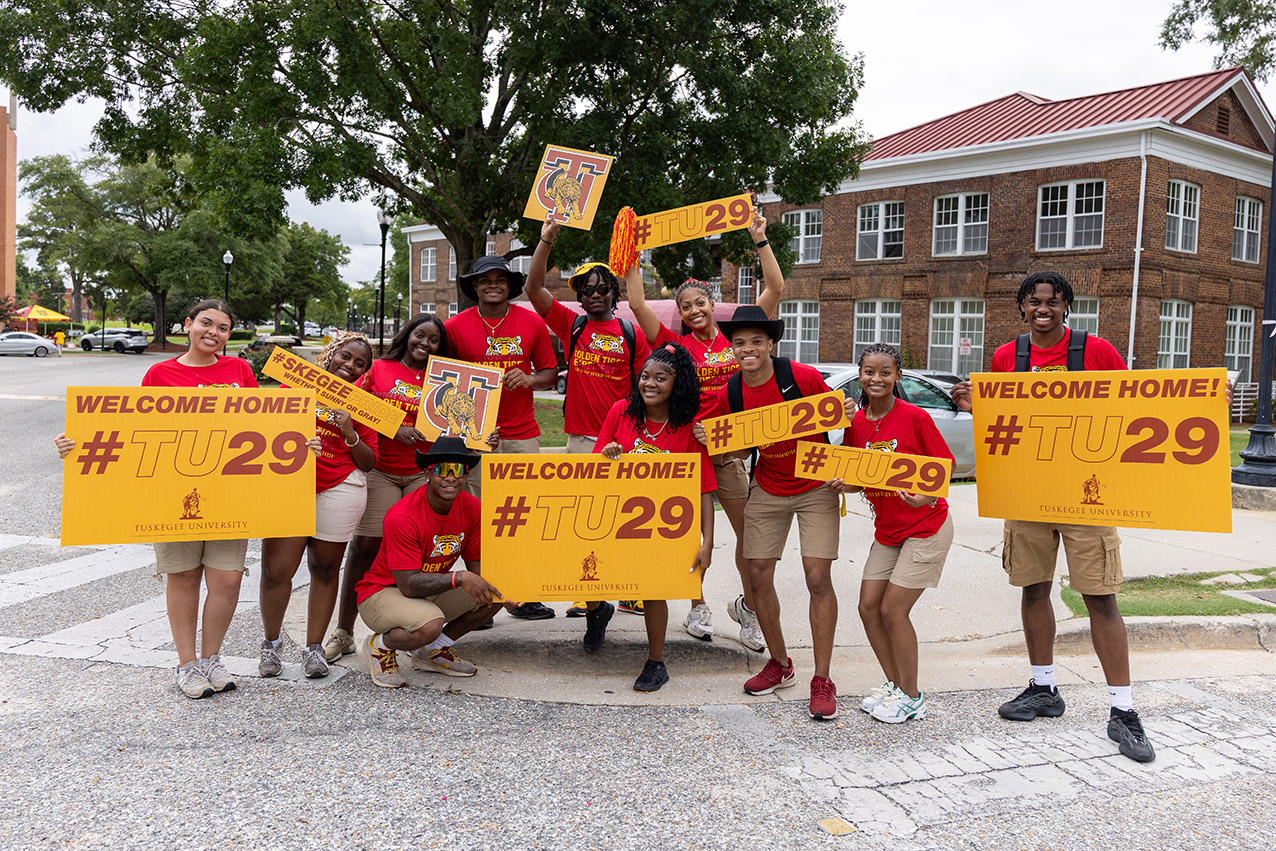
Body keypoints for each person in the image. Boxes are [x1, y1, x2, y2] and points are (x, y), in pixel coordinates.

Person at [950, 270, 1155, 762]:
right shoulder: (1007, 357)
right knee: (1033, 587)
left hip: (1086, 493)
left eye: (1054, 301)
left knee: (1100, 597)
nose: (1044, 308)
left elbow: (1132, 410)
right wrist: (978, 407)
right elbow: (1007, 426)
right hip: (1029, 492)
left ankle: (1123, 712)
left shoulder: (1097, 352)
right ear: (1021, 308)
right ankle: (1044, 689)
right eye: (1035, 301)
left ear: (1066, 307)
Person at [56, 300, 261, 700]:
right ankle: (187, 665)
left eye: (222, 328)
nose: (213, 333)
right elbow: (135, 430)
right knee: (183, 575)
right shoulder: (160, 373)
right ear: (188, 324)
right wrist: (75, 445)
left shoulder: (240, 371)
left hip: (231, 490)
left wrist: (298, 441)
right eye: (206, 323)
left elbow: (262, 425)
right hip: (173, 490)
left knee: (228, 578)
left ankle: (212, 659)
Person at [623, 206, 782, 650]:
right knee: (686, 536)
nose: (694, 310)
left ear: (713, 303)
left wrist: (759, 239)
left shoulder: (739, 337)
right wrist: (633, 252)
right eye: (685, 307)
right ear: (679, 314)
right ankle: (696, 605)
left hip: (729, 454)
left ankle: (748, 608)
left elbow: (775, 288)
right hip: (684, 451)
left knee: (750, 537)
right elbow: (636, 303)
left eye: (700, 303)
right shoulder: (674, 348)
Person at [695, 305, 852, 721]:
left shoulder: (799, 376)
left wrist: (848, 460)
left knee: (818, 577)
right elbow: (743, 447)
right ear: (733, 349)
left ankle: (822, 678)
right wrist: (714, 439)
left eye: (756, 342)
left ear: (770, 345)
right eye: (740, 343)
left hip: (815, 484)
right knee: (757, 572)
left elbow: (837, 423)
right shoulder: (732, 391)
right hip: (767, 484)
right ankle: (780, 663)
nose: (748, 350)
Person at [526, 218, 651, 651]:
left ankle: (632, 585)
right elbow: (534, 289)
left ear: (615, 295)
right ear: (578, 297)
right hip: (581, 439)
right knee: (586, 521)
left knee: (624, 521)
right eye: (587, 289)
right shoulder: (570, 323)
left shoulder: (632, 331)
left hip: (623, 441)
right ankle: (594, 598)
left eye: (603, 288)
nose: (595, 294)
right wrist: (547, 238)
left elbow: (645, 388)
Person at [828, 343, 954, 724]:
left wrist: (924, 495)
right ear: (860, 375)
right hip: (888, 531)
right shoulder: (858, 423)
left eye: (885, 372)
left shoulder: (915, 417)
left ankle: (912, 696)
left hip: (926, 527)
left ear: (898, 376)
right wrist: (843, 485)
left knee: (893, 610)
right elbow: (858, 475)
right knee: (868, 607)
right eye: (869, 371)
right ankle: (895, 686)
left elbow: (944, 466)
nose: (876, 378)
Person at [324, 314, 450, 661]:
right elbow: (351, 403)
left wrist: (484, 435)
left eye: (434, 340)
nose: (424, 343)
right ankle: (344, 631)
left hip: (422, 474)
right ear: (407, 335)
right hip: (381, 469)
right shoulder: (378, 368)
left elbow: (461, 419)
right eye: (419, 335)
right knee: (365, 548)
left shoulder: (445, 379)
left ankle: (419, 629)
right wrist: (393, 428)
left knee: (420, 556)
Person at [595, 343, 715, 691]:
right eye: (645, 376)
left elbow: (705, 490)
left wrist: (707, 544)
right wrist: (608, 456)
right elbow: (590, 469)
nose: (650, 383)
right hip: (613, 517)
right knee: (589, 574)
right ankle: (595, 615)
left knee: (651, 589)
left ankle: (655, 662)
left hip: (662, 528)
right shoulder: (621, 412)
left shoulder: (689, 428)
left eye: (661, 378)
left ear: (677, 384)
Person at [446, 254, 559, 622]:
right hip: (474, 438)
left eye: (500, 279)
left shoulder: (531, 322)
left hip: (522, 435)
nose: (493, 284)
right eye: (485, 279)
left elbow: (549, 371)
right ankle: (483, 600)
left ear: (509, 286)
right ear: (474, 286)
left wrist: (529, 380)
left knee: (522, 518)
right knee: (477, 520)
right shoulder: (456, 328)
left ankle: (523, 595)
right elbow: (443, 380)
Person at [258, 332, 378, 679]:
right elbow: (265, 434)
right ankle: (271, 644)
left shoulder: (363, 403)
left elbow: (369, 461)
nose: (350, 366)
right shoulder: (294, 388)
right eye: (346, 356)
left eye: (360, 363)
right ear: (331, 354)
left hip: (341, 487)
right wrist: (294, 440)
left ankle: (314, 649)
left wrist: (350, 431)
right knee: (276, 571)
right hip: (292, 485)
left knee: (325, 569)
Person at [355, 437, 504, 687]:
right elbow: (408, 585)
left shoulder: (472, 507)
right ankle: (379, 646)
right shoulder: (402, 516)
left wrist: (503, 591)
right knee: (430, 623)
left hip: (427, 588)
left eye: (458, 470)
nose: (450, 477)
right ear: (427, 473)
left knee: (496, 593)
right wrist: (458, 578)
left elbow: (476, 563)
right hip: (380, 593)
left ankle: (432, 652)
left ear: (466, 474)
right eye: (441, 469)